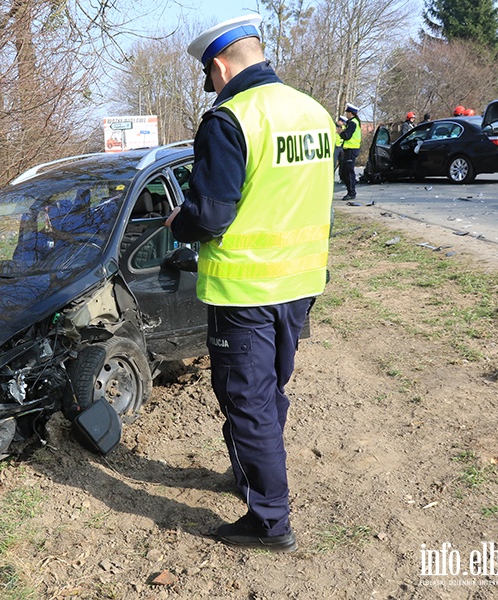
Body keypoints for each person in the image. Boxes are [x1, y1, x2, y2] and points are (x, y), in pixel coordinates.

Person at [165, 13, 333, 551]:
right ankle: (252, 475)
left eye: (208, 76)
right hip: (300, 284)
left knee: (246, 401)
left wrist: (179, 222)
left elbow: (210, 216)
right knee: (268, 392)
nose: (211, 86)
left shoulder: (230, 118)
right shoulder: (313, 112)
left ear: (219, 64)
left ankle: (269, 520)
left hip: (245, 293)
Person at [338, 103, 361, 201]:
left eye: (347, 112)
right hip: (349, 150)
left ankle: (351, 192)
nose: (346, 114)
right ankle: (350, 191)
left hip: (352, 150)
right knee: (344, 171)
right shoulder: (352, 122)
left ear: (350, 113)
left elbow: (347, 136)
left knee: (348, 172)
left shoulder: (353, 122)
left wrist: (340, 132)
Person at [335, 116, 347, 182]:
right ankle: (331, 178)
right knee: (333, 163)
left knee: (342, 164)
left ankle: (342, 178)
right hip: (335, 146)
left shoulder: (344, 128)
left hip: (342, 147)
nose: (343, 124)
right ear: (339, 121)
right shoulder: (333, 127)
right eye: (342, 122)